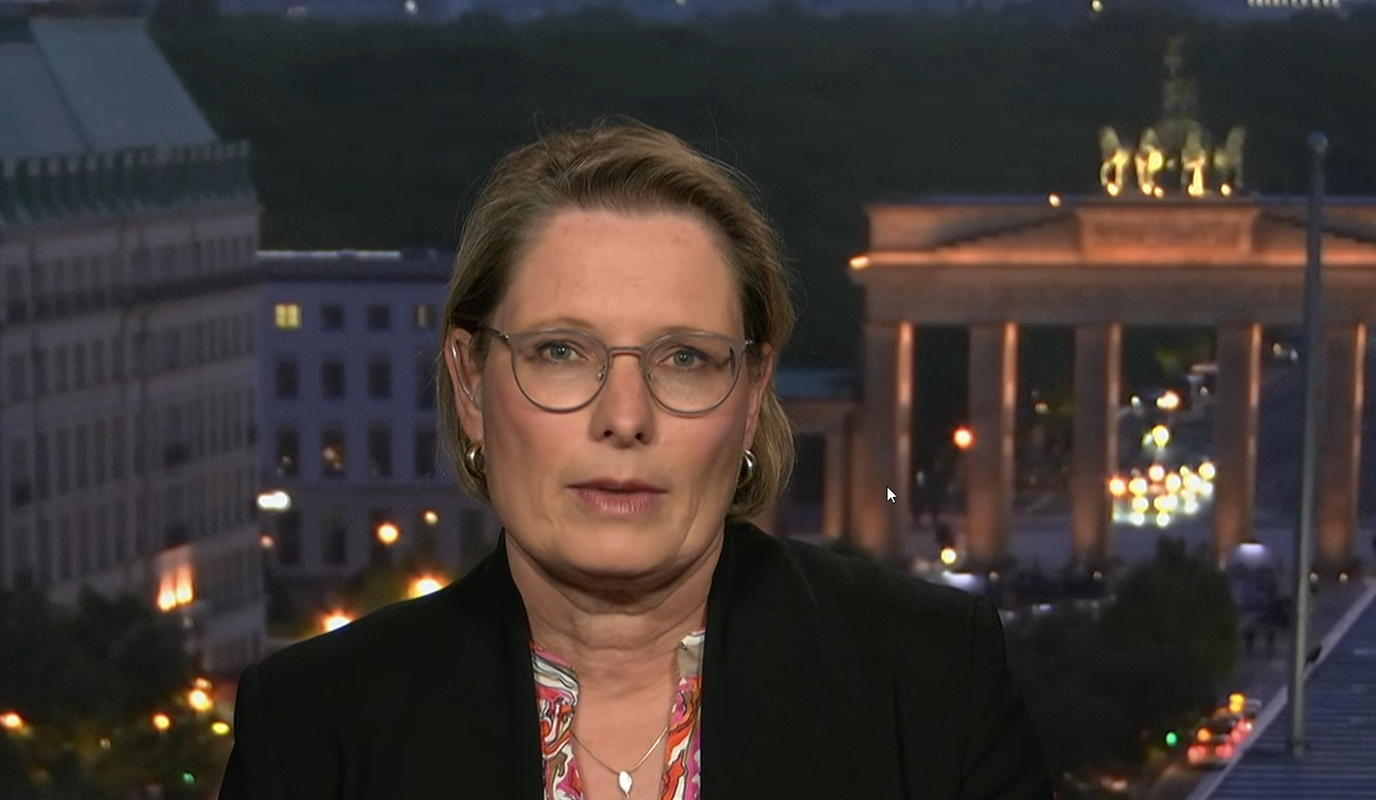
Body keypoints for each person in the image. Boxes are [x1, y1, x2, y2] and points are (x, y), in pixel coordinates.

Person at [217, 119, 1052, 800]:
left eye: (685, 359)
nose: (625, 418)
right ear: (470, 384)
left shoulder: (931, 684)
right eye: (560, 352)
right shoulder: (314, 728)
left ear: (752, 394)